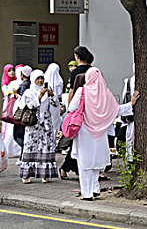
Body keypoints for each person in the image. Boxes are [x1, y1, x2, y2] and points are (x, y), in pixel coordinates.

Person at [68, 67, 138, 200]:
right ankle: (95, 189)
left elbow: (72, 108)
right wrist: (131, 104)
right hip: (100, 132)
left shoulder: (82, 91)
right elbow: (117, 110)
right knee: (96, 162)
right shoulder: (105, 93)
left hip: (84, 131)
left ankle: (87, 193)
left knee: (84, 163)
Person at [18, 70, 59, 184]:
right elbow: (27, 106)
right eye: (38, 78)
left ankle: (45, 174)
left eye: (42, 78)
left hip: (46, 123)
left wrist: (52, 96)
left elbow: (56, 105)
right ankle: (26, 176)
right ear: (33, 79)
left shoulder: (46, 91)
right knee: (31, 146)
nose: (40, 81)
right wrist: (39, 97)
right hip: (33, 123)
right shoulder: (28, 92)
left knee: (46, 146)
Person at [59, 74, 85, 180]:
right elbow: (72, 107)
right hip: (78, 124)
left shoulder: (81, 91)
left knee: (77, 149)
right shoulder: (80, 91)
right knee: (76, 149)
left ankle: (67, 168)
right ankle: (65, 168)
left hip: (80, 124)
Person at [2, 64, 22, 157]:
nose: (12, 72)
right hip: (9, 107)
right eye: (9, 71)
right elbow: (7, 94)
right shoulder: (5, 84)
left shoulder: (15, 82)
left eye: (13, 70)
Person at [13, 66, 31, 160]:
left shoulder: (24, 85)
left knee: (17, 135)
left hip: (22, 113)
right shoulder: (30, 84)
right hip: (27, 114)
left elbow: (24, 99)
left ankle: (24, 152)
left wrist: (16, 94)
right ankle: (22, 155)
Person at [44, 63, 64, 133]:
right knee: (55, 124)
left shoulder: (44, 78)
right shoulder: (60, 81)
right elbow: (60, 94)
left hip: (45, 103)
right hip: (55, 104)